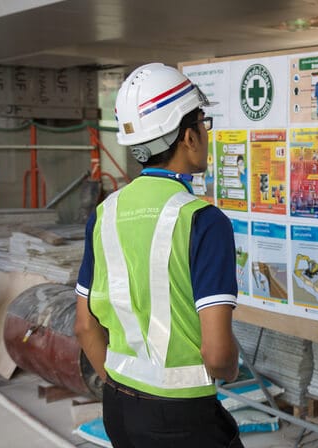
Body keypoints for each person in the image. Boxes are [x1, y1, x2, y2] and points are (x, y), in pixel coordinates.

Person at [74, 63, 243, 448]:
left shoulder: (105, 213)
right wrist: (228, 370)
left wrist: (123, 388)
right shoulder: (202, 220)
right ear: (188, 136)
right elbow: (217, 355)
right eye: (204, 123)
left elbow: (85, 327)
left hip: (117, 408)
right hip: (182, 417)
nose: (205, 133)